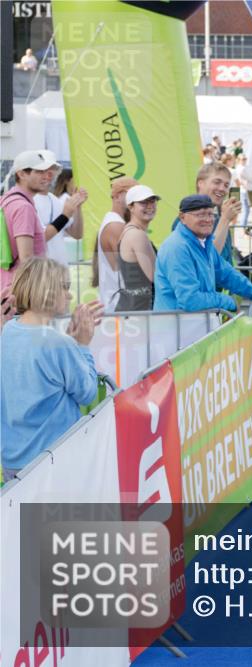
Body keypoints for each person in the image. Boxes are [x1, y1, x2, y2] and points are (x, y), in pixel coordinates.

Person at [0, 257, 103, 483]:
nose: (69, 295)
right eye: (64, 287)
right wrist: (83, 345)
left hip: (13, 462)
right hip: (54, 461)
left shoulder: (6, 333)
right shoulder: (58, 343)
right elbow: (87, 393)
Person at [154, 195, 252, 312]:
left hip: (194, 326)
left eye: (210, 214)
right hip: (176, 328)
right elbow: (190, 300)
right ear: (182, 217)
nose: (208, 220)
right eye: (200, 215)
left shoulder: (203, 242)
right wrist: (229, 302)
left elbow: (227, 274)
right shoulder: (177, 247)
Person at [1, 150, 58, 291]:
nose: (46, 177)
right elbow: (26, 258)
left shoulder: (6, 200)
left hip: (9, 285)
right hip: (21, 291)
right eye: (38, 172)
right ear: (21, 174)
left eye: (46, 171)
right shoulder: (23, 207)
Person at [170, 162, 239, 266]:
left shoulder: (219, 218)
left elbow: (226, 263)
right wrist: (225, 219)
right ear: (200, 183)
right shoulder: (185, 220)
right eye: (217, 182)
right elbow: (205, 261)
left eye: (226, 185)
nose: (222, 189)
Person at [94, 177, 138, 312]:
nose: (136, 201)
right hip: (120, 307)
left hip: (119, 305)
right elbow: (134, 270)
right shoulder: (115, 225)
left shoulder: (115, 223)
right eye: (132, 195)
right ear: (118, 196)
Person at [115, 185, 160, 311]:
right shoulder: (137, 235)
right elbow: (157, 277)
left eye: (152, 201)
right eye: (143, 202)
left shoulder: (130, 231)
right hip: (139, 313)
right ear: (131, 207)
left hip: (133, 310)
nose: (150, 206)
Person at [36, 168, 87, 268]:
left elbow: (77, 234)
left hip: (60, 268)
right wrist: (66, 215)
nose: (49, 176)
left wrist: (78, 207)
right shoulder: (63, 199)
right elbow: (41, 238)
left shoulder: (55, 200)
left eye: (52, 172)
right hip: (44, 270)